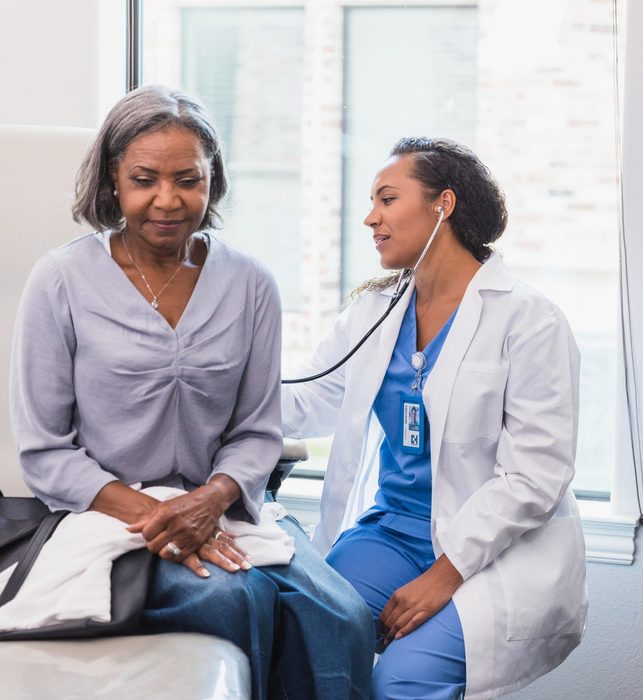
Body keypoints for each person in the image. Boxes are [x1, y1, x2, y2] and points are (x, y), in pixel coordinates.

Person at [10, 85, 374, 700]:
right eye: (144, 178)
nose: (167, 199)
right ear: (112, 183)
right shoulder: (60, 281)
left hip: (223, 505)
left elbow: (257, 430)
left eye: (188, 179)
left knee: (343, 617)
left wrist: (211, 500)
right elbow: (46, 451)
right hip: (111, 515)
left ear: (214, 181)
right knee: (229, 599)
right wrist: (160, 515)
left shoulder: (251, 284)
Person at [282, 137, 588, 699]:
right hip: (393, 533)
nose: (370, 218)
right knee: (306, 632)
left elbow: (536, 475)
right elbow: (304, 401)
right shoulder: (374, 311)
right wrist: (214, 378)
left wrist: (443, 576)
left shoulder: (528, 320)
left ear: (442, 204)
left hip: (497, 551)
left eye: (387, 199)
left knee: (401, 680)